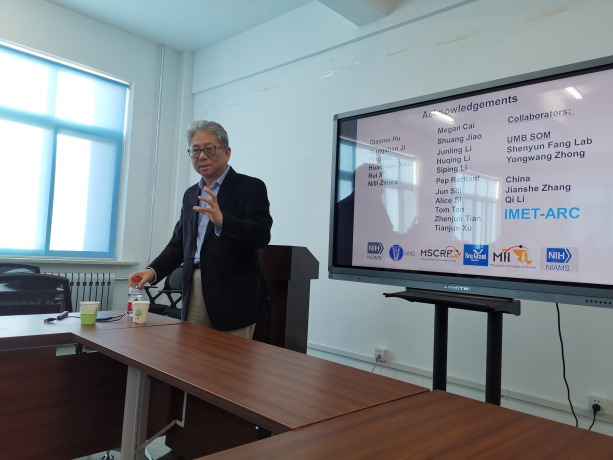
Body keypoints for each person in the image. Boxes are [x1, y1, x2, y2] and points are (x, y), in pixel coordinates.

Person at [129, 120, 272, 339]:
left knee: (230, 358)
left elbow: (261, 235)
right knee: (191, 355)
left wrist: (223, 221)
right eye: (195, 150)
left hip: (234, 295)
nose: (201, 156)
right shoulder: (191, 194)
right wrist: (153, 270)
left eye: (209, 149)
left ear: (227, 152)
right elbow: (179, 244)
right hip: (193, 287)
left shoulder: (250, 187)